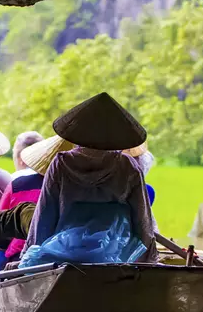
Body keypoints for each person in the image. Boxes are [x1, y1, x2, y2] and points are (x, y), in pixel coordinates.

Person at [22, 92, 157, 264]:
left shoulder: (61, 164)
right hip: (116, 259)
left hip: (65, 256)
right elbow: (142, 220)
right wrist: (148, 260)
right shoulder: (127, 167)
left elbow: (45, 215)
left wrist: (31, 256)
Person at [0, 135, 72, 262]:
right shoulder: (78, 190)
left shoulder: (17, 185)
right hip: (64, 254)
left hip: (20, 254)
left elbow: (0, 234)